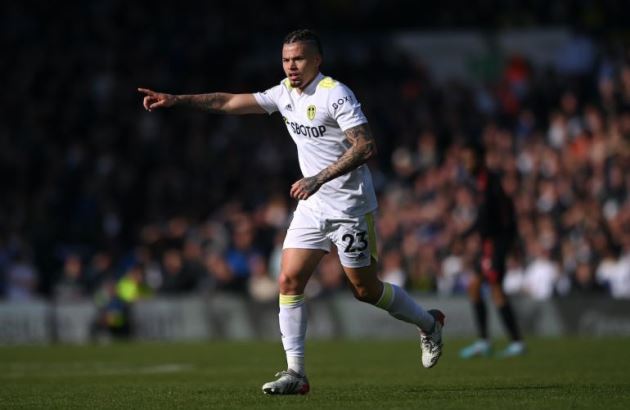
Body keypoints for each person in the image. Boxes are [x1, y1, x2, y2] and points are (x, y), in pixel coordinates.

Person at [138, 29, 445, 395]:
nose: (291, 66)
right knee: (288, 280)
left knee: (365, 289)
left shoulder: (335, 93)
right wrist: (177, 99)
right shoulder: (283, 93)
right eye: (286, 59)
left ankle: (429, 324)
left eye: (298, 58)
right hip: (312, 207)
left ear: (317, 60)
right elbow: (229, 102)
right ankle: (296, 373)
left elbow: (366, 146)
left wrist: (318, 178)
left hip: (349, 207)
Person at [458, 142, 525, 358]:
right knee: (474, 287)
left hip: (496, 243)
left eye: (468, 160)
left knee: (496, 289)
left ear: (479, 159)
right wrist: (467, 234)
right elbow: (484, 217)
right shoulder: (480, 183)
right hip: (489, 243)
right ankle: (484, 341)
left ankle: (516, 342)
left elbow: (505, 214)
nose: (466, 164)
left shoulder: (491, 182)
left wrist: (509, 244)